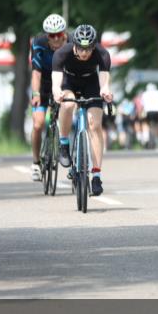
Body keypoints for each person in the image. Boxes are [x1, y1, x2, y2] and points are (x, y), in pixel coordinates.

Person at [51, 24, 114, 196]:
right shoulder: (62, 53)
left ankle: (96, 175)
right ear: (74, 45)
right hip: (69, 81)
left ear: (94, 46)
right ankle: (64, 143)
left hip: (91, 83)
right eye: (81, 48)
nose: (85, 52)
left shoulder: (102, 54)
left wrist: (105, 90)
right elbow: (56, 82)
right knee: (69, 104)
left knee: (94, 125)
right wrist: (57, 91)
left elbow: (104, 82)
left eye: (88, 49)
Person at [28, 14, 68, 180]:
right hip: (43, 83)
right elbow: (36, 73)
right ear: (46, 36)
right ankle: (36, 162)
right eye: (52, 35)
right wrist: (36, 94)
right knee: (38, 124)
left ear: (64, 33)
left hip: (64, 81)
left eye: (59, 34)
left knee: (67, 113)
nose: (56, 38)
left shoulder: (72, 42)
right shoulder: (39, 43)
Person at [140, 83, 158, 149]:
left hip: (147, 111)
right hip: (156, 111)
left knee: (145, 124)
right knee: (157, 125)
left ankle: (146, 138)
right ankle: (157, 141)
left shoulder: (144, 94)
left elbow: (142, 105)